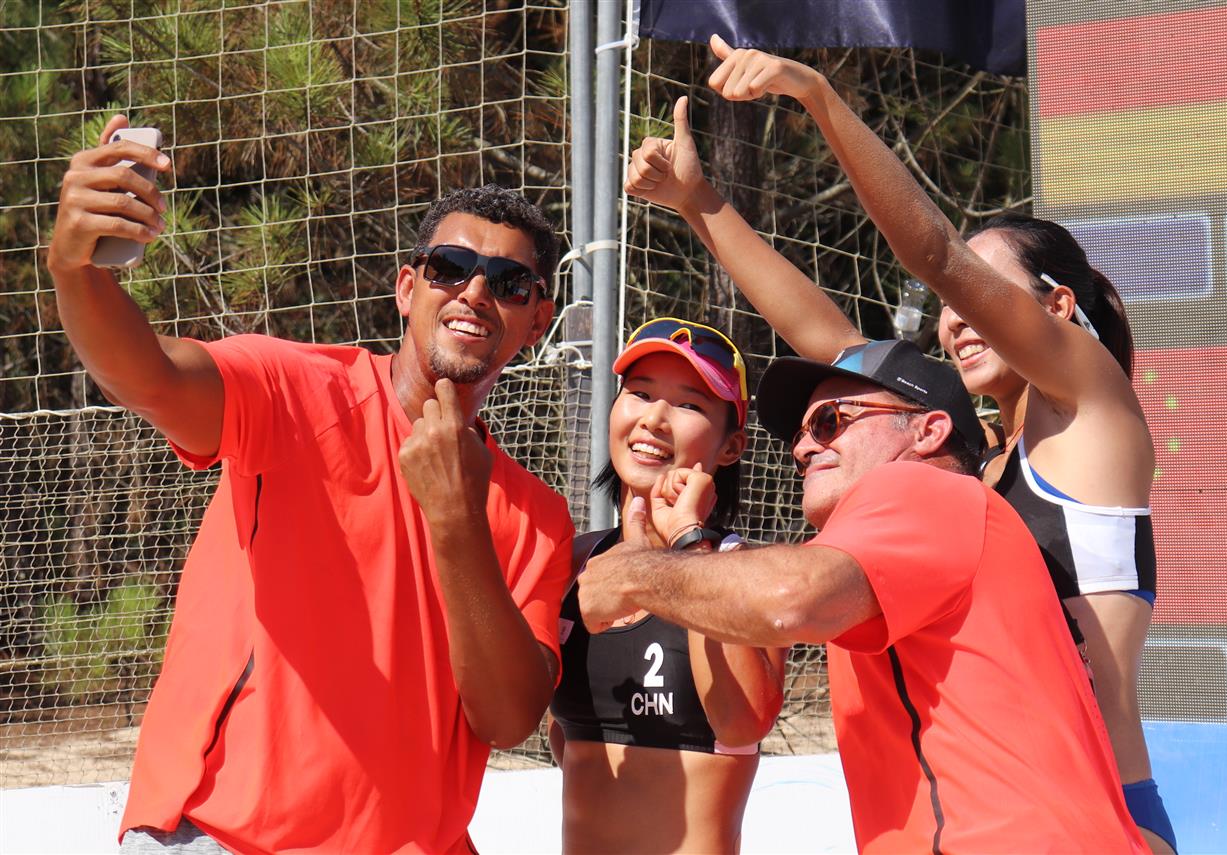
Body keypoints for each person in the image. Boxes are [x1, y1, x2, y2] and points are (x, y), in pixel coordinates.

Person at [623, 37, 1175, 853]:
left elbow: (936, 254)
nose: (956, 319)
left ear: (1057, 306)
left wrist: (817, 95)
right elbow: (828, 341)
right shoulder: (963, 464)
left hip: (1111, 803)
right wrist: (697, 201)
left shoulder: (1098, 416)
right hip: (1002, 798)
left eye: (979, 297)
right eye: (950, 309)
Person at [47, 116, 574, 854]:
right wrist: (75, 269)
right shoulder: (294, 390)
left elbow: (509, 717)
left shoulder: (539, 516)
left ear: (537, 319)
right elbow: (147, 377)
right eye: (450, 267)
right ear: (407, 288)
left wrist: (457, 520)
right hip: (222, 837)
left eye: (510, 283)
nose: (475, 292)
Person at [576, 339, 1150, 854]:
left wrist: (639, 570)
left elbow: (786, 600)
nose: (804, 447)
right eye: (801, 433)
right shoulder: (909, 538)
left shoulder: (922, 489)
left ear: (927, 432)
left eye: (830, 422)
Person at [550, 317, 786, 854]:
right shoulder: (574, 563)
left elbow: (743, 722)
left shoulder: (746, 570)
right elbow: (564, 740)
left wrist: (686, 543)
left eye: (688, 405)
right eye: (639, 393)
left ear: (731, 446)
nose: (653, 418)